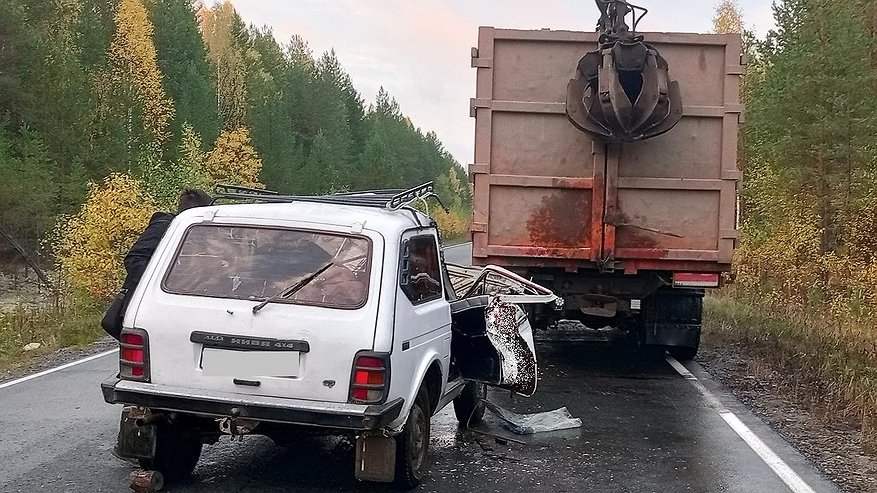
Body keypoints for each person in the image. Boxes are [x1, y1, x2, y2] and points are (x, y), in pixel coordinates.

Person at [102, 189, 213, 340]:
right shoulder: (164, 227)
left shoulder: (203, 234)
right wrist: (158, 287)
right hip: (153, 309)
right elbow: (135, 259)